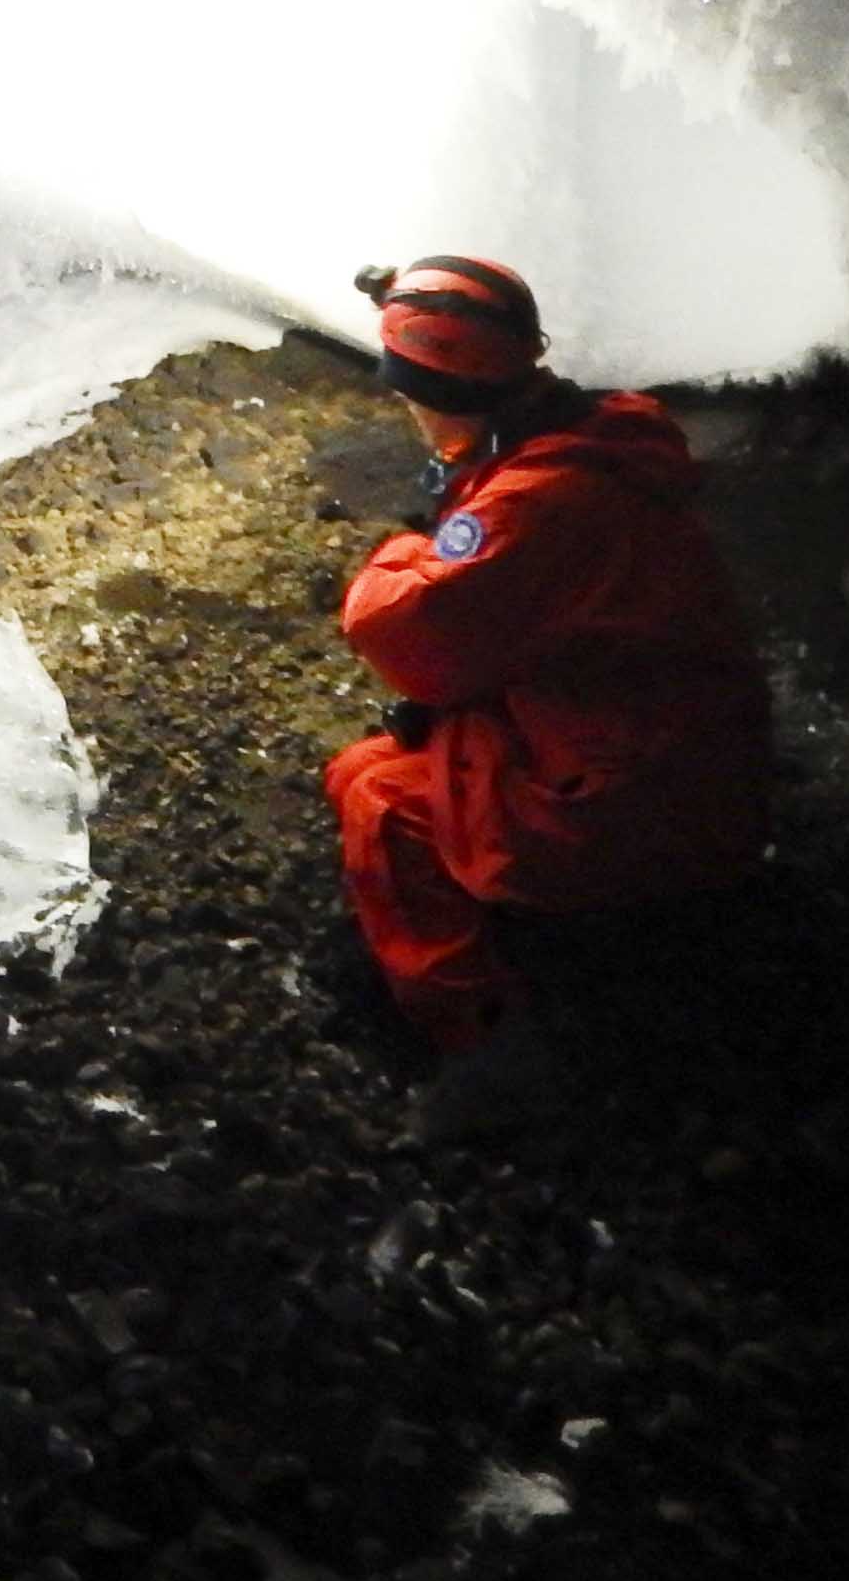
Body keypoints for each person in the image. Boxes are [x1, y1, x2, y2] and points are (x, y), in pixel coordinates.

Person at [324, 255, 770, 1074]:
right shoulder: (603, 440)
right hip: (701, 764)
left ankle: (481, 1037)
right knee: (424, 742)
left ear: (437, 395)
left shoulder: (535, 500)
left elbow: (410, 636)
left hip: (640, 809)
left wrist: (402, 552)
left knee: (377, 792)